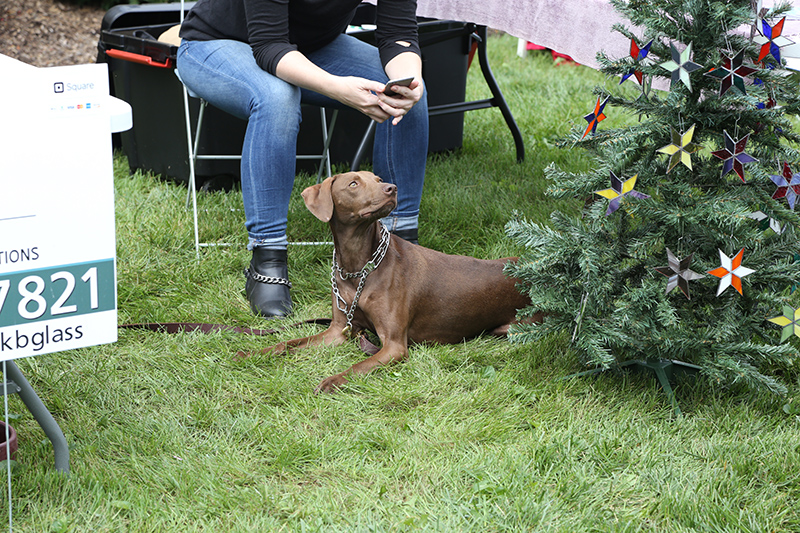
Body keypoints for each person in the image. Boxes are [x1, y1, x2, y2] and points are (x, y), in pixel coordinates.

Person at [176, 0, 429, 318]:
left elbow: (399, 33)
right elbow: (270, 45)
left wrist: (407, 83)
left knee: (407, 94)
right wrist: (339, 89)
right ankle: (267, 257)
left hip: (311, 47)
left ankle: (399, 245)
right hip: (215, 44)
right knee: (277, 97)